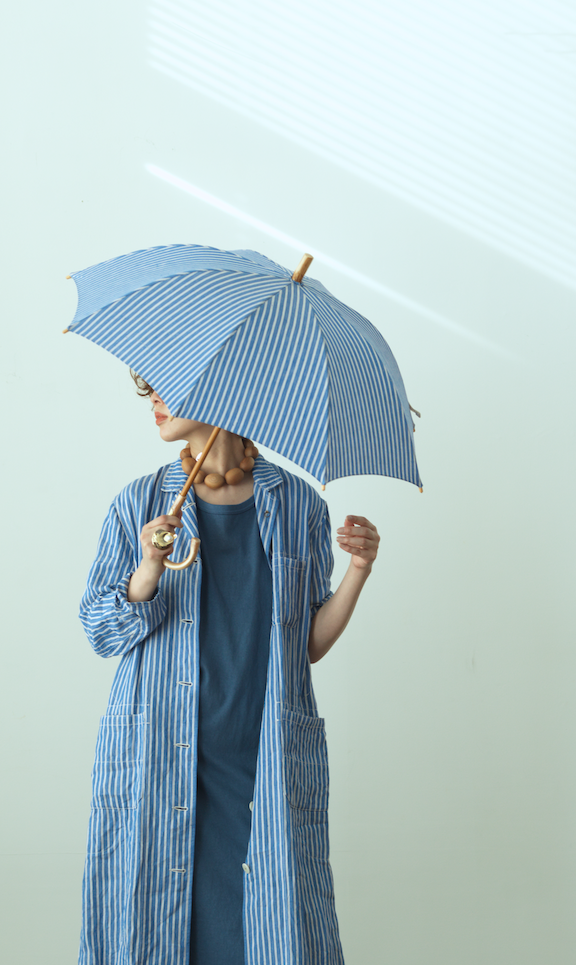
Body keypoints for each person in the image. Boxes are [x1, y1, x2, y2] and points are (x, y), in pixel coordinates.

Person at [78, 379, 380, 965]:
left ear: (222, 392)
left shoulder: (297, 504)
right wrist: (147, 567)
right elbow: (101, 631)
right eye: (151, 396)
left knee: (266, 929)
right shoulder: (140, 503)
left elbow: (307, 645)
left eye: (168, 391)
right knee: (153, 925)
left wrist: (359, 570)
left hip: (260, 753)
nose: (156, 406)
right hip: (162, 748)